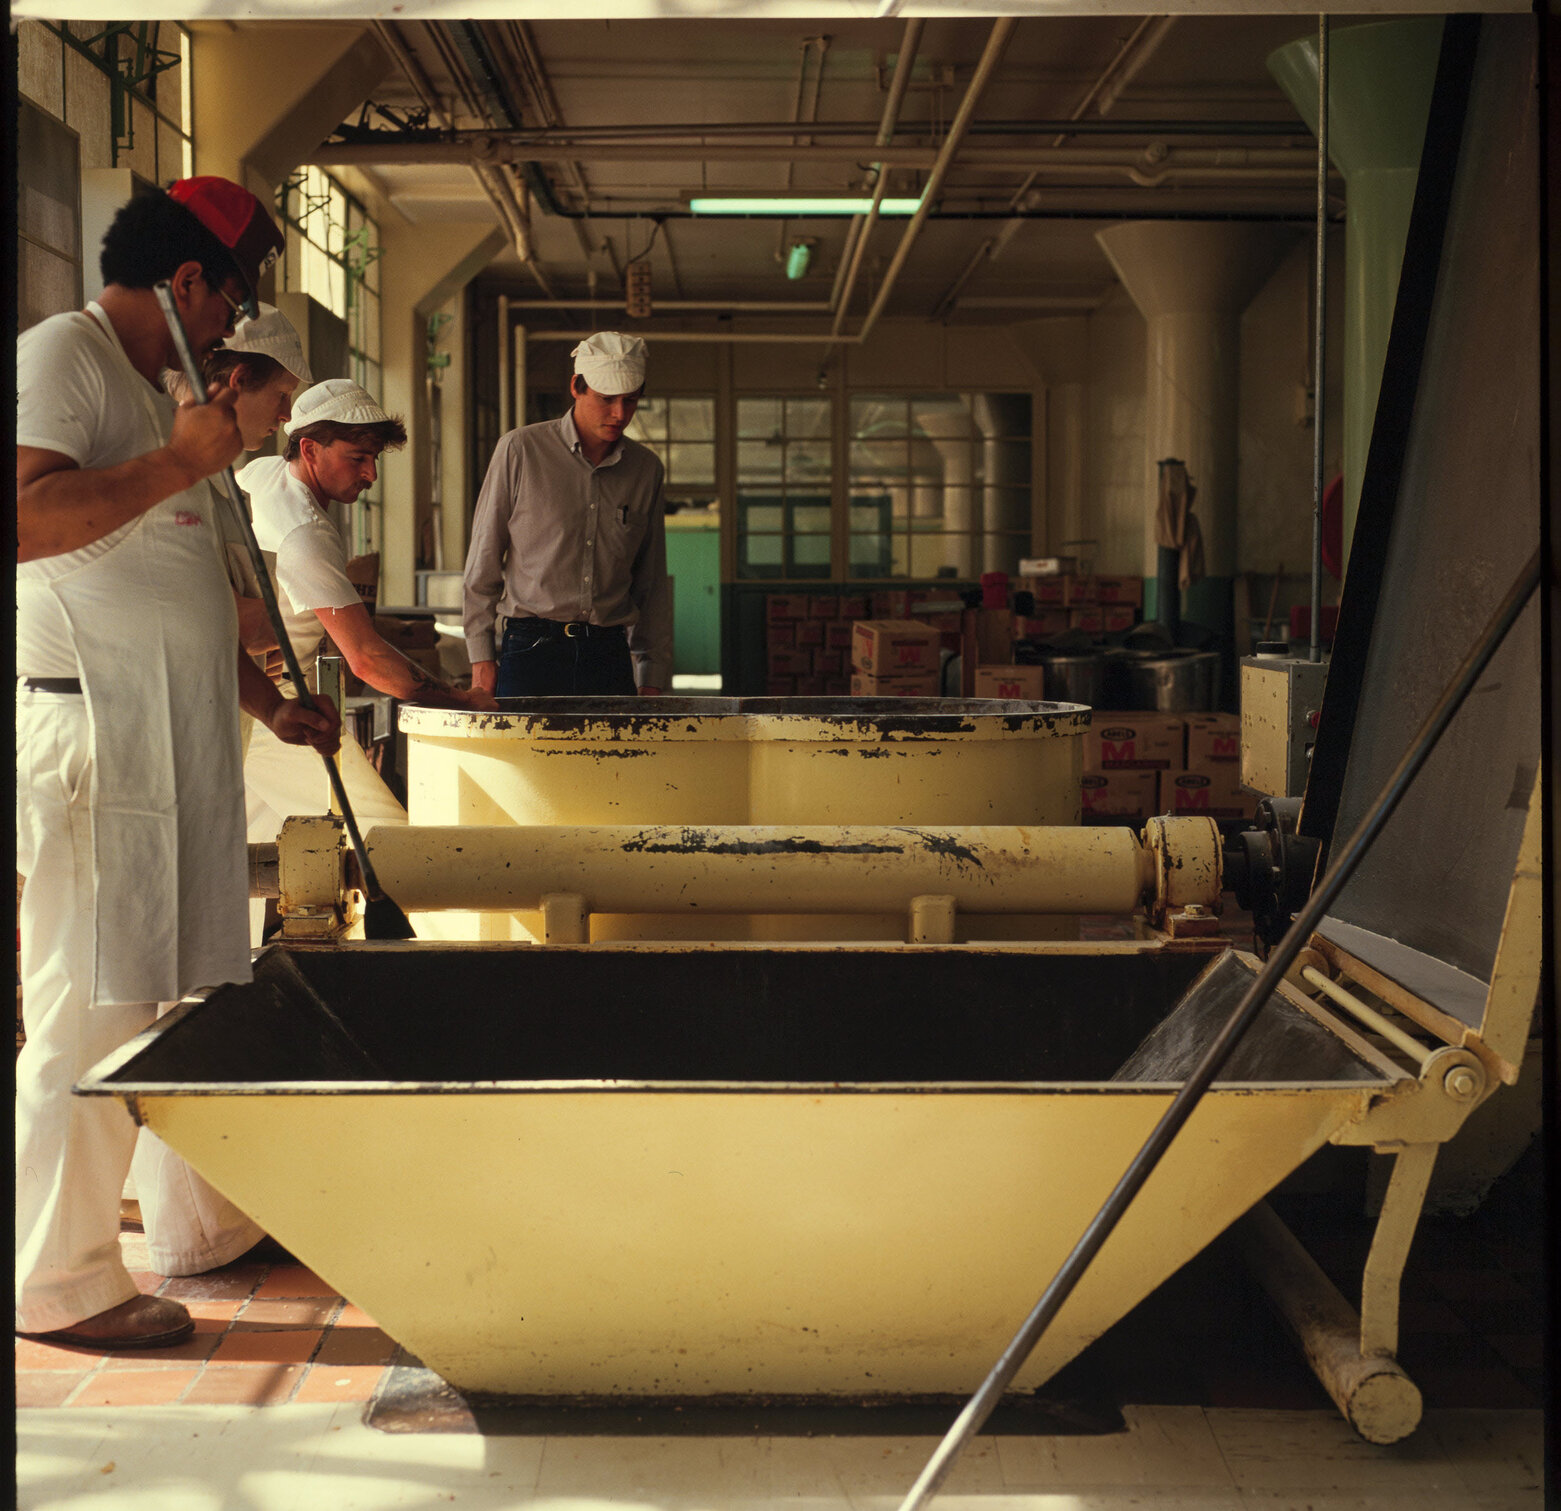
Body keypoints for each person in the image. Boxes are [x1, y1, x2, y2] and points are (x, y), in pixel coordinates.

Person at [16, 177, 342, 1350]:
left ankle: (160, 1238)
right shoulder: (71, 352)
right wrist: (177, 461)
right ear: (186, 278)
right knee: (92, 1013)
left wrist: (266, 699)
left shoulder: (159, 394)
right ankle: (56, 1279)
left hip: (163, 745)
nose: (228, 330)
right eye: (231, 299)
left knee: (147, 1004)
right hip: (97, 735)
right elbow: (23, 519)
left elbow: (172, 586)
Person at [238, 378, 496, 866]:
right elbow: (369, 660)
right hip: (279, 711)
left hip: (244, 703)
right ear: (309, 448)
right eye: (358, 458)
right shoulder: (307, 531)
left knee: (254, 856)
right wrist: (464, 698)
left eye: (374, 459)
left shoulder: (261, 475)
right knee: (390, 843)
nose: (371, 475)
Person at [462, 331, 672, 697]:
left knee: (614, 756)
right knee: (525, 756)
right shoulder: (520, 451)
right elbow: (484, 559)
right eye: (607, 399)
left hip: (609, 651)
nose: (620, 414)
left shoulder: (646, 470)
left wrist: (651, 672)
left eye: (630, 401)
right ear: (577, 386)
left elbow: (650, 582)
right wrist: (481, 658)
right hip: (530, 648)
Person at [163, 302, 314, 660]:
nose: (287, 414)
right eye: (282, 394)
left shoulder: (223, 482)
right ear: (239, 380)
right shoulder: (164, 471)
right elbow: (201, 615)